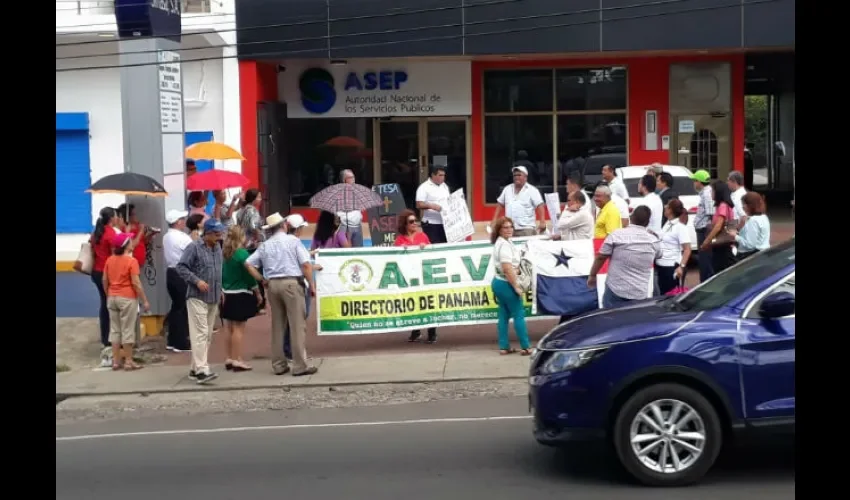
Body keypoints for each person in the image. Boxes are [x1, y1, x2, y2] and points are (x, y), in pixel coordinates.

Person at [245, 213, 319, 377]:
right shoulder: (293, 241)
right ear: (284, 225)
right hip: (291, 283)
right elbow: (306, 265)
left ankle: (279, 364)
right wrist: (311, 285)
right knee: (297, 325)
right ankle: (300, 364)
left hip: (273, 284)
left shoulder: (265, 245)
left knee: (278, 325)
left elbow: (248, 263)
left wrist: (262, 279)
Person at [176, 218, 226, 385]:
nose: (219, 237)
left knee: (207, 335)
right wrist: (196, 281)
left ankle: (194, 368)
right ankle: (202, 369)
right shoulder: (194, 247)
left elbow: (218, 270)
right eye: (217, 234)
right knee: (200, 333)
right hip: (197, 296)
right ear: (208, 233)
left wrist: (221, 290)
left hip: (213, 296)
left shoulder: (217, 247)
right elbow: (181, 267)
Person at [588, 206, 661, 308]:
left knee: (610, 319)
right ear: (648, 223)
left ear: (631, 218)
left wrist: (592, 275)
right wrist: (654, 236)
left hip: (615, 289)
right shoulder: (653, 240)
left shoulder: (616, 235)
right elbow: (659, 255)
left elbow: (601, 257)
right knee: (633, 322)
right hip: (639, 292)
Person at [102, 232, 150, 371]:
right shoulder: (131, 261)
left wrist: (108, 293)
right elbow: (136, 283)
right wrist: (144, 300)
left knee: (115, 330)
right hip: (127, 298)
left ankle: (116, 361)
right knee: (127, 330)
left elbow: (105, 280)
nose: (132, 243)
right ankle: (129, 361)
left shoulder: (110, 260)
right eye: (130, 241)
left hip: (112, 297)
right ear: (126, 246)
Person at [220, 225, 261, 372]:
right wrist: (257, 291)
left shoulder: (225, 254)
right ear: (240, 237)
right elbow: (249, 275)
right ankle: (238, 359)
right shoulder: (242, 254)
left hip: (227, 292)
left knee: (228, 327)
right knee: (239, 328)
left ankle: (229, 357)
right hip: (240, 292)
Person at [490, 217, 531, 356]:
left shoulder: (503, 242)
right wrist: (516, 286)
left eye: (510, 227)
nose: (509, 230)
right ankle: (525, 346)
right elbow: (507, 268)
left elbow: (509, 268)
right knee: (518, 314)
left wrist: (516, 270)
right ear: (499, 230)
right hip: (506, 283)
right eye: (505, 227)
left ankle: (504, 346)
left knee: (503, 315)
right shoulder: (505, 245)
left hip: (499, 282)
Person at [394, 209, 436, 343]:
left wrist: (427, 247)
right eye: (411, 221)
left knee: (428, 303)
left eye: (416, 221)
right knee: (413, 303)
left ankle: (432, 332)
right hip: (409, 277)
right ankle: (415, 331)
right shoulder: (400, 240)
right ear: (405, 224)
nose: (415, 224)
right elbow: (395, 258)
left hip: (424, 275)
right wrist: (401, 251)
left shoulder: (422, 236)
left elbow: (433, 252)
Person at [90, 207, 121, 350]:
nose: (117, 219)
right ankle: (111, 338)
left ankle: (105, 336)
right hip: (107, 273)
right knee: (111, 306)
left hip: (96, 271)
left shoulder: (96, 233)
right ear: (111, 219)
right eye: (115, 216)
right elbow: (115, 255)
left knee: (105, 304)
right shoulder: (111, 233)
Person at [163, 209, 192, 352]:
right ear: (177, 222)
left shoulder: (167, 236)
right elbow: (193, 253)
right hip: (182, 273)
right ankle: (181, 342)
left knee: (176, 307)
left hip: (171, 272)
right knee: (182, 308)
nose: (184, 221)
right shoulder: (183, 237)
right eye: (182, 219)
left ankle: (172, 339)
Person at [491, 166, 547, 237]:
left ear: (525, 177)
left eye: (519, 175)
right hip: (509, 229)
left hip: (526, 229)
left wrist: (542, 221)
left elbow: (540, 205)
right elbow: (500, 204)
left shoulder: (532, 190)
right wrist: (494, 219)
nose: (516, 177)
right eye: (515, 175)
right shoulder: (507, 189)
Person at [656, 200, 692, 295]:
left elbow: (687, 249)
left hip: (671, 266)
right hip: (661, 265)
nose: (664, 208)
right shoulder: (667, 223)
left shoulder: (680, 227)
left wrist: (681, 266)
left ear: (671, 210)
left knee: (671, 295)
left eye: (667, 207)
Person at [701, 180, 737, 275]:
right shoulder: (724, 205)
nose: (711, 193)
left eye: (712, 191)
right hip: (723, 244)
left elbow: (718, 226)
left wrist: (706, 241)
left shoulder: (723, 206)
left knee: (720, 270)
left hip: (722, 244)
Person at [729, 192, 771, 261]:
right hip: (763, 252)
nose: (742, 207)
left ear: (750, 205)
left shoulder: (753, 220)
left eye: (744, 204)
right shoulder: (764, 217)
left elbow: (750, 244)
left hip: (751, 255)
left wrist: (735, 236)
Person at [689, 170, 715, 282]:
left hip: (704, 231)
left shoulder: (706, 194)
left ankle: (705, 283)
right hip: (703, 230)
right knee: (704, 260)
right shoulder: (705, 193)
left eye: (694, 181)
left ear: (699, 182)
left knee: (705, 261)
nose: (693, 183)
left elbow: (711, 214)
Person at [415, 166, 451, 244]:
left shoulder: (445, 186)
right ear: (433, 175)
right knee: (434, 246)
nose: (443, 177)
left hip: (445, 223)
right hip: (431, 224)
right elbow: (419, 204)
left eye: (444, 175)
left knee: (445, 245)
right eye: (440, 175)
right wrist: (432, 206)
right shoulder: (424, 187)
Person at [336, 170, 364, 247]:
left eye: (353, 177)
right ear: (344, 180)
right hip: (345, 226)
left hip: (357, 225)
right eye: (351, 177)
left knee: (359, 250)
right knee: (347, 251)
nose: (353, 179)